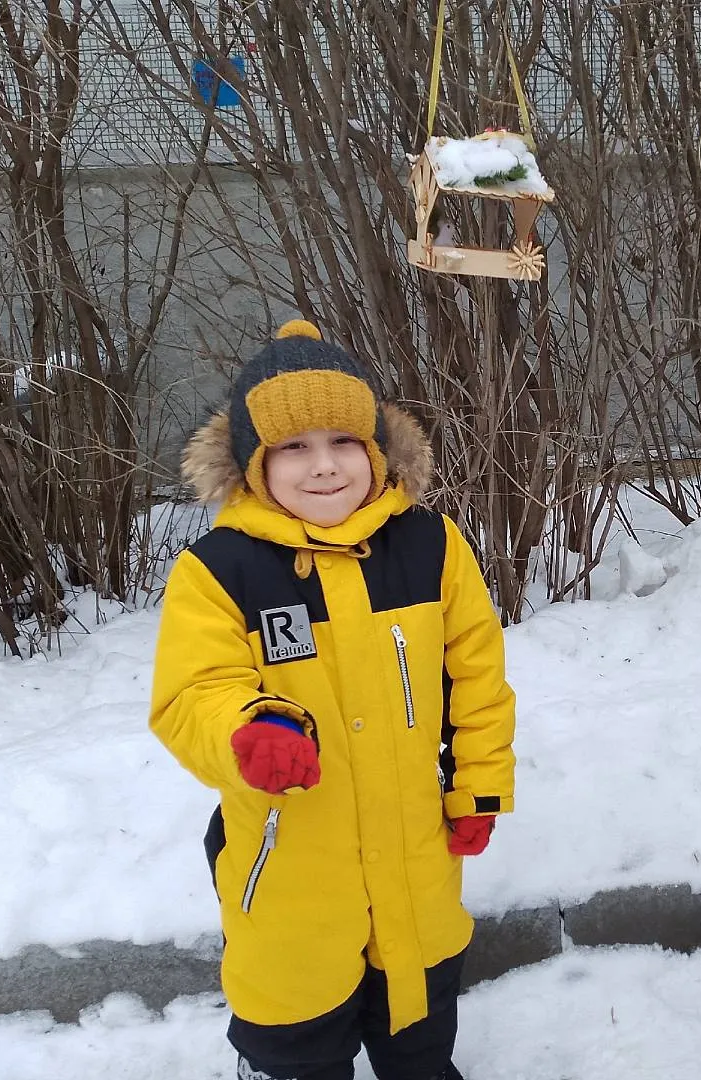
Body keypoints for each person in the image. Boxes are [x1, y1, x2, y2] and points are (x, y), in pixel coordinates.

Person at [150, 319, 516, 1080]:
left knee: (418, 1014)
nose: (323, 466)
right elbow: (194, 692)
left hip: (415, 857)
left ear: (377, 448)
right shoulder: (220, 570)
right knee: (298, 1024)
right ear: (253, 463)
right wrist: (249, 731)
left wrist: (479, 787)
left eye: (344, 441)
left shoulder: (432, 546)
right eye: (293, 447)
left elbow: (476, 680)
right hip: (291, 866)